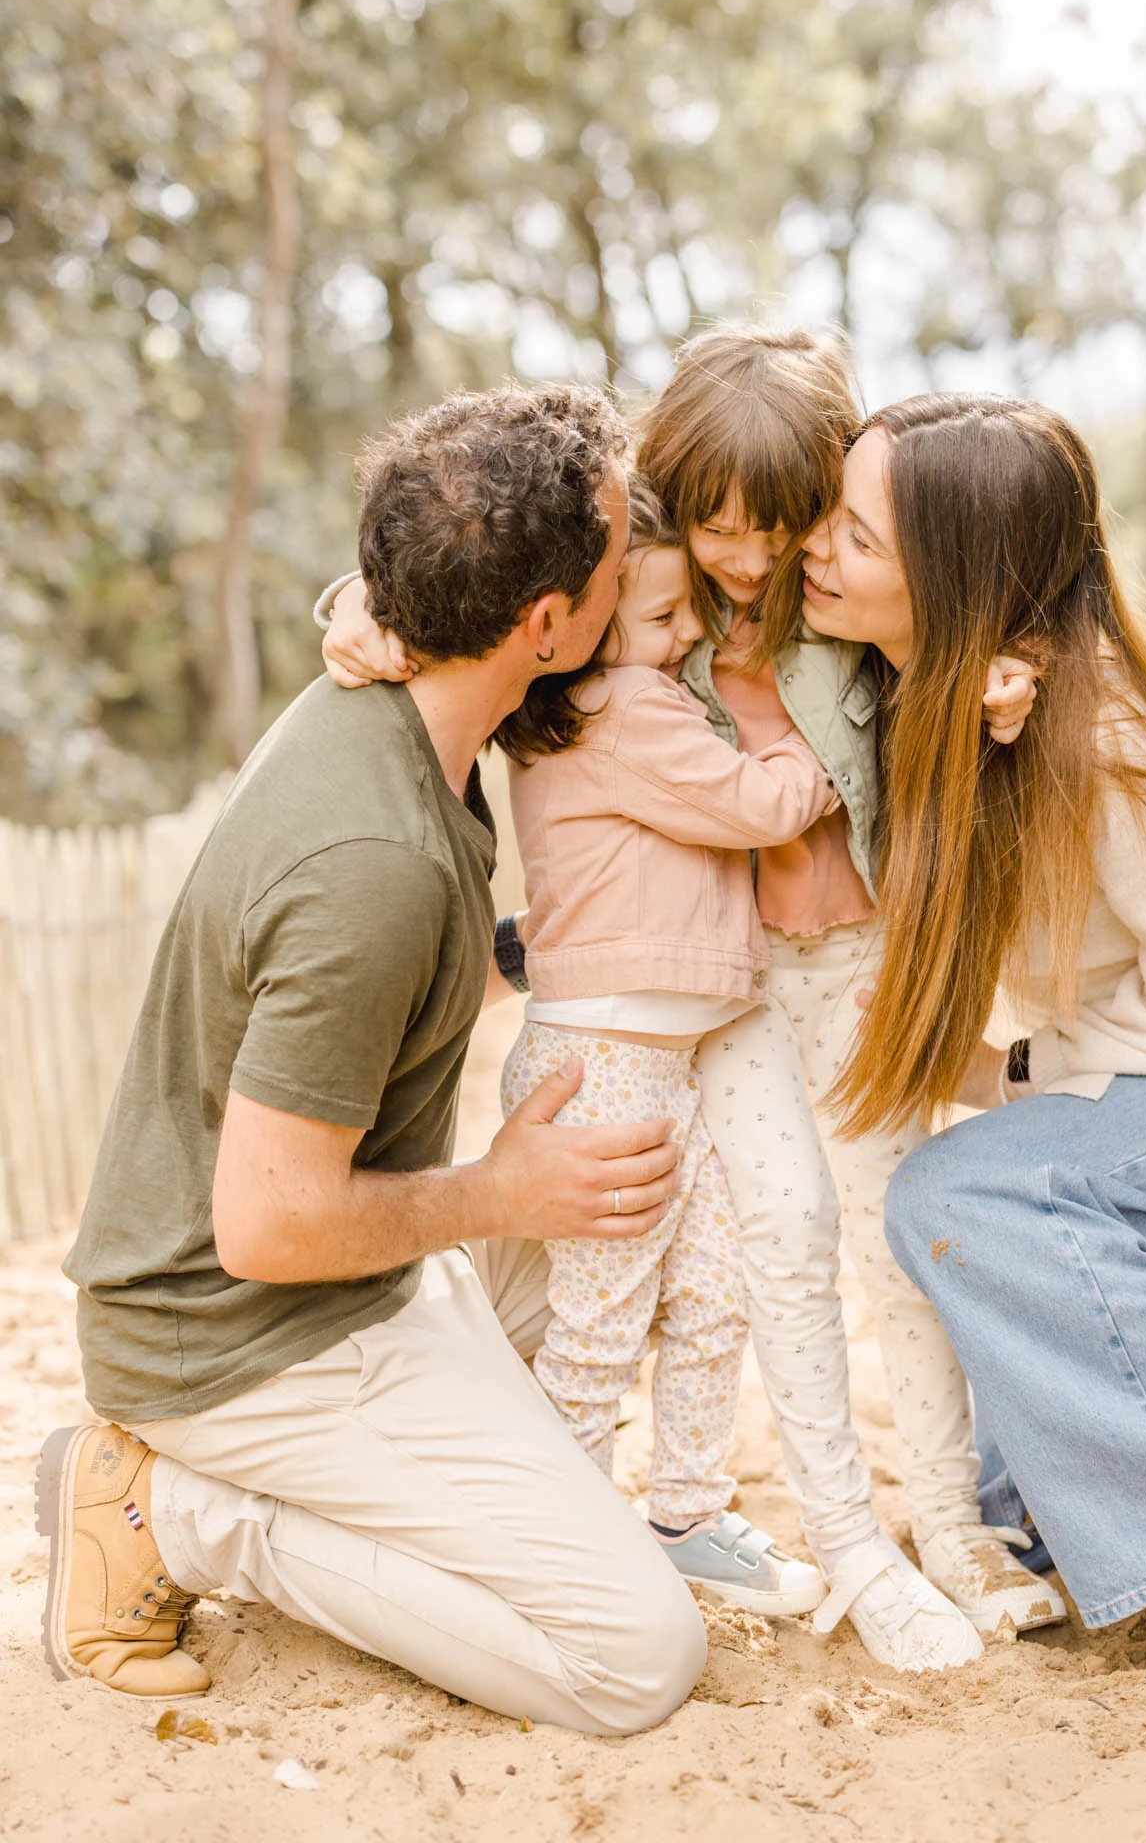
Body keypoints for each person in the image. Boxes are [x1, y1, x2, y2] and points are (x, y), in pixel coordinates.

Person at [321, 327, 1055, 1668]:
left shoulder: (849, 592)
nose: (756, 561)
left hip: (863, 957)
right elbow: (473, 580)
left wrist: (1007, 671)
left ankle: (947, 1524)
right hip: (738, 981)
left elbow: (981, 597)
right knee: (778, 1232)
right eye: (722, 528)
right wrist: (359, 611)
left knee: (904, 1243)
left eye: (789, 526)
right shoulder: (645, 603)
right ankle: (846, 1542)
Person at [41, 385, 710, 1733]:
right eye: (613, 551)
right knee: (637, 1659)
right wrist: (498, 1198)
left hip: (349, 1280)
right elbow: (268, 1224)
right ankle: (171, 1514)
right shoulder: (373, 869)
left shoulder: (398, 675)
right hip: (243, 1338)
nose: (636, 549)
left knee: (594, 1220)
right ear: (544, 623)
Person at [797, 388, 1146, 1742]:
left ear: (955, 572)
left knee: (965, 1201)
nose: (817, 547)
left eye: (854, 533)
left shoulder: (1097, 732)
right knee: (1030, 1495)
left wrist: (1019, 1075)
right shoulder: (933, 684)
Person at [498, 475, 831, 1614]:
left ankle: (686, 1509)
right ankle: (562, 1541)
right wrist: (827, 754)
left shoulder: (618, 697)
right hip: (607, 1066)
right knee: (599, 1325)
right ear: (581, 630)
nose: (686, 632)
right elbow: (755, 805)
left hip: (656, 1060)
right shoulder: (618, 706)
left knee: (710, 1289)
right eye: (659, 618)